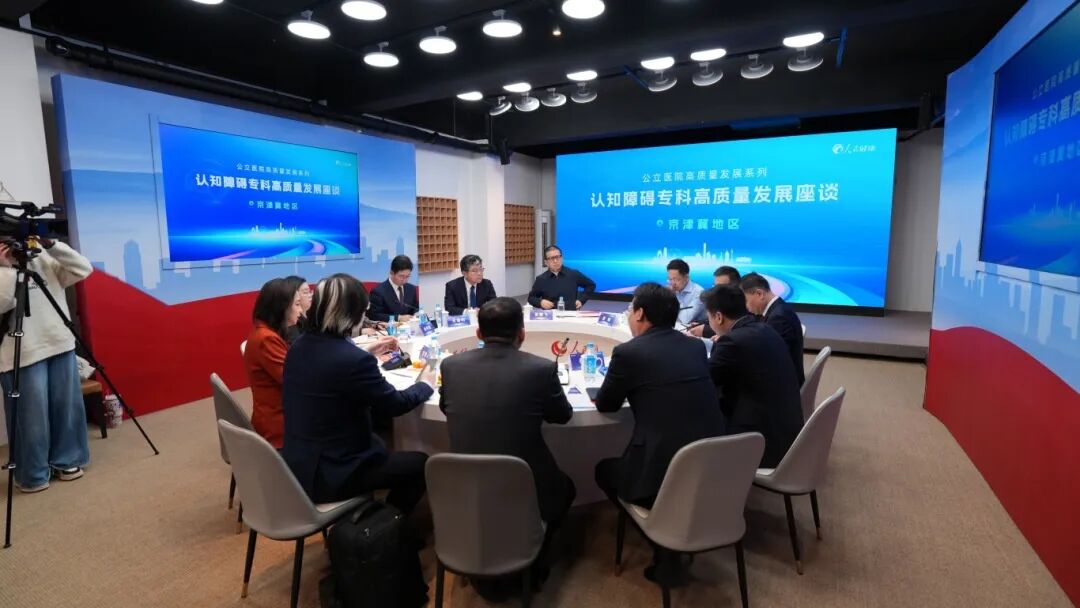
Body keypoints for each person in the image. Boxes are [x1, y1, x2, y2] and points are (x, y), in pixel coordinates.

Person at [439, 297, 573, 598]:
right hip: (524, 486)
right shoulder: (541, 369)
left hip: (464, 488)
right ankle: (534, 562)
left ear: (478, 334)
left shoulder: (451, 366)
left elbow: (447, 407)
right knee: (565, 490)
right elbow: (562, 416)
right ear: (522, 333)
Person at [594, 282, 725, 585]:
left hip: (659, 473)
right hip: (711, 467)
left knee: (604, 471)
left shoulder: (629, 353)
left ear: (640, 313)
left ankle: (662, 542)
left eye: (630, 309)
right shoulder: (695, 347)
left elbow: (607, 404)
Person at [282, 273, 437, 514]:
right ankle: (387, 522)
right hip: (335, 471)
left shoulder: (299, 345)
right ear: (351, 315)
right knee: (420, 464)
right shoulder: (352, 360)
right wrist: (425, 384)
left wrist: (365, 352)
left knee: (382, 441)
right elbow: (395, 404)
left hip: (299, 464)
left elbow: (331, 365)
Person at [0, 237, 93, 493]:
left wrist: (52, 245)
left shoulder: (42, 254)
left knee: (67, 409)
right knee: (30, 418)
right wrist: (7, 269)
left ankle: (68, 460)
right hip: (22, 351)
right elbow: (3, 303)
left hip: (59, 342)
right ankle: (32, 473)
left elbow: (82, 269)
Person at [701, 284, 804, 468]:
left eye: (708, 317)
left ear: (718, 317)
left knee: (694, 417)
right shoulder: (764, 328)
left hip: (764, 444)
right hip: (787, 431)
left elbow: (704, 379)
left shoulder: (733, 341)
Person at [243, 278, 304, 449]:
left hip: (276, 414)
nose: (301, 310)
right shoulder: (267, 339)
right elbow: (296, 382)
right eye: (297, 304)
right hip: (280, 427)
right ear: (282, 307)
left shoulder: (266, 332)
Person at [740, 272, 805, 386]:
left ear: (759, 294)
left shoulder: (779, 317)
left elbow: (770, 358)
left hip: (784, 384)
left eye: (745, 301)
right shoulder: (778, 309)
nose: (746, 307)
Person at [527, 245, 595, 310]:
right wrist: (540, 302)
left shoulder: (573, 274)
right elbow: (531, 298)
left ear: (562, 258)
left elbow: (591, 285)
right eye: (551, 258)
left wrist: (581, 300)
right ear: (546, 262)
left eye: (557, 257)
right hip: (551, 315)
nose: (555, 261)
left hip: (571, 313)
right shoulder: (541, 279)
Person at [691, 266, 741, 338]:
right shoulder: (719, 301)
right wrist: (699, 324)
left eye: (719, 287)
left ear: (734, 287)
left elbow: (734, 328)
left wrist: (705, 330)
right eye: (714, 286)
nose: (715, 290)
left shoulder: (742, 304)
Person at [368, 255, 420, 323]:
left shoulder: (411, 289)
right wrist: (398, 318)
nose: (404, 280)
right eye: (401, 276)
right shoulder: (378, 292)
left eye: (407, 276)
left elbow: (415, 308)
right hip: (389, 327)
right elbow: (374, 315)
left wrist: (417, 314)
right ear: (391, 273)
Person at [666, 259, 705, 329]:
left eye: (676, 279)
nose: (673, 283)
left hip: (693, 331)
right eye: (670, 279)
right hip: (674, 328)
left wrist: (673, 298)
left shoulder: (699, 292)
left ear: (687, 277)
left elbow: (685, 319)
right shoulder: (671, 291)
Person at [282, 275, 311, 344]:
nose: (310, 295)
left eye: (310, 292)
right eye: (305, 292)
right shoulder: (292, 322)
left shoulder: (309, 318)